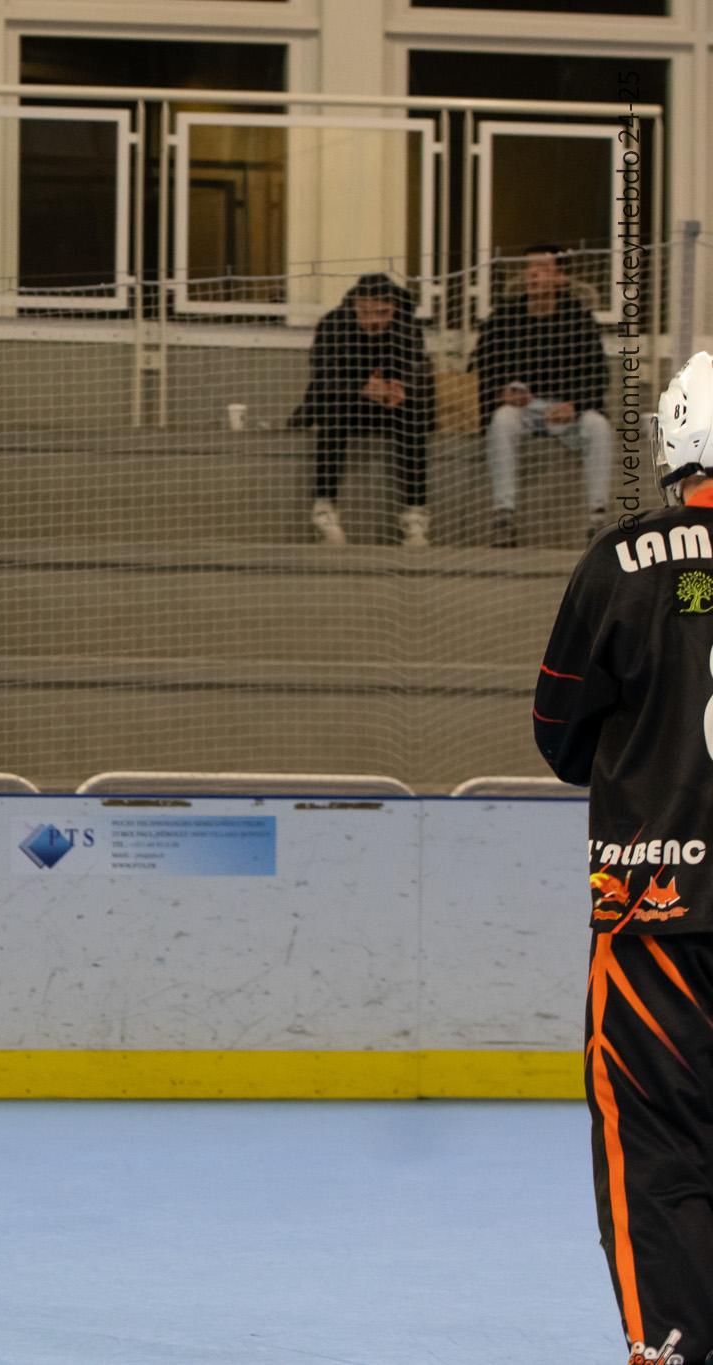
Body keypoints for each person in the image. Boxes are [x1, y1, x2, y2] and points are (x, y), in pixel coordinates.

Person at [535, 351, 713, 1365]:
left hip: (654, 919)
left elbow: (556, 734)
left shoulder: (618, 562)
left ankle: (673, 1345)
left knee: (651, 1147)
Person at [473, 243, 612, 547]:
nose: (533, 275)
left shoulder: (578, 318)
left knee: (598, 426)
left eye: (542, 269)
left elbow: (598, 373)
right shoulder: (504, 317)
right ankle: (504, 515)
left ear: (560, 278)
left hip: (566, 411)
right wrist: (505, 390)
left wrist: (574, 404)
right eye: (529, 269)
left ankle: (597, 518)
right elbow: (484, 364)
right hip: (525, 410)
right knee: (502, 419)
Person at [289, 273, 433, 547]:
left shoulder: (408, 327)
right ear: (354, 305)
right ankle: (325, 508)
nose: (374, 321)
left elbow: (418, 368)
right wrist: (362, 387)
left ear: (395, 308)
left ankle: (415, 515)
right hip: (346, 402)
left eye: (382, 312)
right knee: (333, 413)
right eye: (365, 313)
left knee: (414, 417)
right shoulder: (333, 324)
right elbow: (323, 377)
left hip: (389, 407)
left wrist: (399, 387)